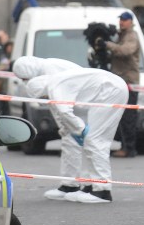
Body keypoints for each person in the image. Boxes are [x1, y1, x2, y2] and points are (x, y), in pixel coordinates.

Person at [13, 56, 128, 203]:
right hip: (101, 92)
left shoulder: (54, 85)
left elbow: (63, 111)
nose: (46, 97)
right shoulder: (52, 81)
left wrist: (79, 129)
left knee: (94, 140)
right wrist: (73, 129)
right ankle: (88, 186)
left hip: (108, 92)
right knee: (89, 140)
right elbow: (62, 111)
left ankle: (102, 191)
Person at [107, 11, 141, 158]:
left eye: (125, 20)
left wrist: (108, 45)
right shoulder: (121, 35)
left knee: (128, 117)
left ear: (131, 21)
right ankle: (125, 146)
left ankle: (129, 148)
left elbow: (125, 51)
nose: (121, 22)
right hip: (120, 81)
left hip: (129, 82)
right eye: (120, 19)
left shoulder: (131, 36)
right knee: (122, 117)